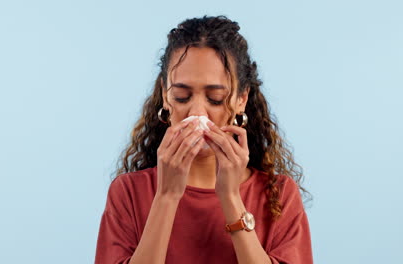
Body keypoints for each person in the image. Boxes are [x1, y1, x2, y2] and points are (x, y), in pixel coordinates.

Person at [95, 15, 314, 264]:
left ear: (241, 99)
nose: (197, 113)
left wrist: (231, 197)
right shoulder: (128, 192)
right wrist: (166, 196)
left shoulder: (278, 195)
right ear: (165, 96)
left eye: (215, 99)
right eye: (181, 96)